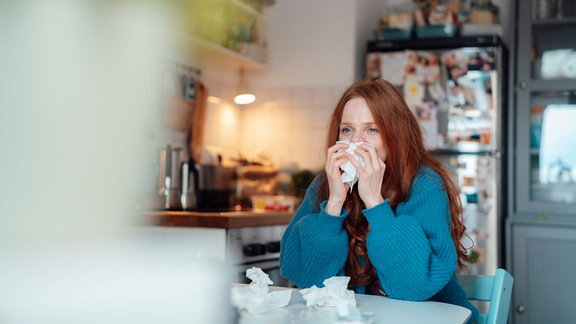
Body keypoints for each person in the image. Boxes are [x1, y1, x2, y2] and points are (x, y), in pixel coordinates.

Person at [280, 79, 479, 323]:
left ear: (395, 134)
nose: (355, 142)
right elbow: (306, 278)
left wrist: (374, 201)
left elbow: (414, 287)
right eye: (347, 130)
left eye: (371, 130)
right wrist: (334, 204)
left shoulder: (424, 184)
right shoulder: (326, 183)